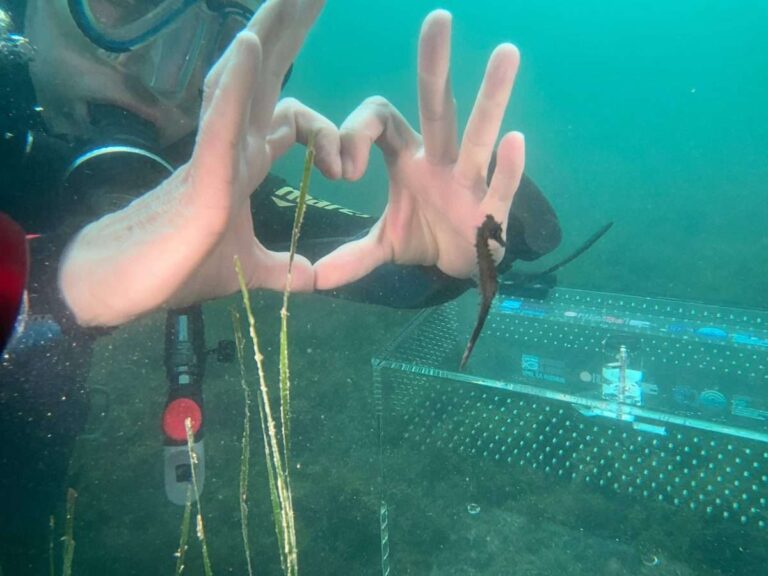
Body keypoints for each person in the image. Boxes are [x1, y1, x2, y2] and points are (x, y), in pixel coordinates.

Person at [0, 0, 561, 572]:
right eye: (131, 5)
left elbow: (367, 263)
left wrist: (451, 257)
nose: (165, 73)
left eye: (222, 39)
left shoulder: (218, 196)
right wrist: (54, 293)